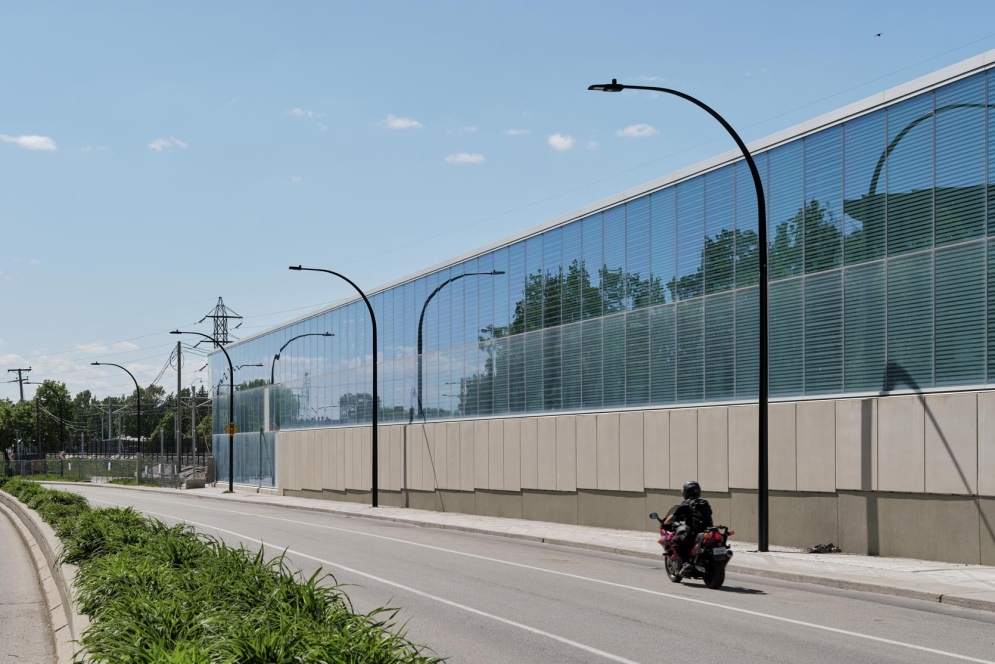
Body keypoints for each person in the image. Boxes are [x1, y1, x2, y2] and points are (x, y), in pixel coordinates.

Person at [664, 480, 713, 576]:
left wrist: (665, 522)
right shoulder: (704, 503)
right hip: (707, 531)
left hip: (694, 532)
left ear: (686, 492)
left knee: (676, 541)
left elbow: (673, 516)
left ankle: (686, 563)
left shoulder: (685, 504)